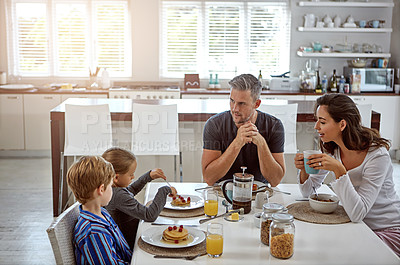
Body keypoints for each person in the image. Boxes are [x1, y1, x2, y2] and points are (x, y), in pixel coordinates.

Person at [294, 93, 400, 257]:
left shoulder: (377, 155)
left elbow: (358, 213)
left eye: (322, 122)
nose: (316, 126)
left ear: (342, 124)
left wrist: (339, 170)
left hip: (385, 230)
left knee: (339, 254)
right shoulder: (333, 148)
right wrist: (304, 171)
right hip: (355, 226)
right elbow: (308, 193)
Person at [202, 73, 286, 186]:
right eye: (232, 101)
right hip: (222, 192)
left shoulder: (274, 126)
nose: (234, 108)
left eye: (241, 103)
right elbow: (209, 178)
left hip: (259, 193)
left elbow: (275, 180)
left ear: (256, 104)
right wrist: (237, 143)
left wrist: (261, 144)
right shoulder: (214, 125)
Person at [102, 147, 177, 249]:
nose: (133, 177)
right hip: (132, 245)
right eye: (131, 174)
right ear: (116, 178)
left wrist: (148, 176)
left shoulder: (112, 190)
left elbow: (130, 190)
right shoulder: (118, 195)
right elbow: (149, 215)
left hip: (133, 235)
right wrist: (164, 191)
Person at [66, 156, 132, 264]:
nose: (112, 189)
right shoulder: (94, 232)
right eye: (111, 185)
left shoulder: (102, 213)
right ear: (101, 189)